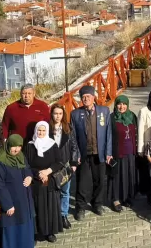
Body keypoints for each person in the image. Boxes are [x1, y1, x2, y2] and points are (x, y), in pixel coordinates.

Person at [0, 134, 35, 248]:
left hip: (23, 200)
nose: (16, 149)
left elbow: (27, 168)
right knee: (10, 229)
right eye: (14, 146)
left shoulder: (20, 156)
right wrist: (7, 204)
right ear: (8, 145)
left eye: (19, 146)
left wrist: (29, 177)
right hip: (10, 201)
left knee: (23, 226)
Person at [70, 85, 112, 219]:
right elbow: (73, 137)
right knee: (82, 182)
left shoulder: (104, 111)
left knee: (99, 180)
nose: (86, 99)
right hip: (83, 154)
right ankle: (80, 207)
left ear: (93, 97)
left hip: (99, 152)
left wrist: (108, 152)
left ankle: (97, 204)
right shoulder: (75, 114)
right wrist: (76, 155)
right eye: (83, 97)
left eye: (88, 96)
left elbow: (108, 133)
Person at [24, 121, 64, 242]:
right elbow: (26, 164)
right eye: (39, 130)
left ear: (47, 131)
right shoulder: (30, 146)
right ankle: (37, 233)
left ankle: (50, 232)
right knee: (37, 207)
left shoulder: (52, 144)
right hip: (35, 181)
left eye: (43, 130)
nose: (41, 133)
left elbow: (59, 162)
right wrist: (38, 173)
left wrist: (48, 171)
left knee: (50, 206)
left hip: (50, 180)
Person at [49, 103, 80, 229]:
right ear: (52, 114)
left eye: (60, 114)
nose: (58, 116)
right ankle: (54, 215)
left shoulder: (68, 127)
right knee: (53, 192)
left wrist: (74, 163)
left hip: (65, 164)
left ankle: (63, 215)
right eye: (55, 113)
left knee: (65, 191)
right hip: (51, 165)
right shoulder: (47, 128)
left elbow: (74, 146)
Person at [108, 94, 138, 212]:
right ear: (116, 105)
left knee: (128, 175)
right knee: (117, 176)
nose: (122, 107)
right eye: (119, 104)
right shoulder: (111, 118)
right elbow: (108, 136)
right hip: (117, 152)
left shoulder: (132, 116)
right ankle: (116, 199)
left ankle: (126, 197)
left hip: (130, 151)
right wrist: (108, 153)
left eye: (124, 104)